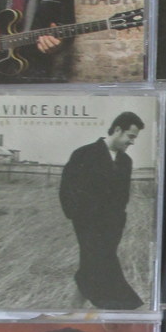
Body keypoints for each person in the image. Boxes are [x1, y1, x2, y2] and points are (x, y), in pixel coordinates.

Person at [59, 111, 144, 310]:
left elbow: (123, 196)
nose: (132, 142)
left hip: (112, 226)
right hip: (87, 223)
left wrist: (119, 220)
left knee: (91, 266)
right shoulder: (84, 154)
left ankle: (74, 309)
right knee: (103, 263)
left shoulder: (126, 162)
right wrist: (78, 216)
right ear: (117, 129)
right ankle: (127, 306)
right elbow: (67, 188)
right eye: (130, 136)